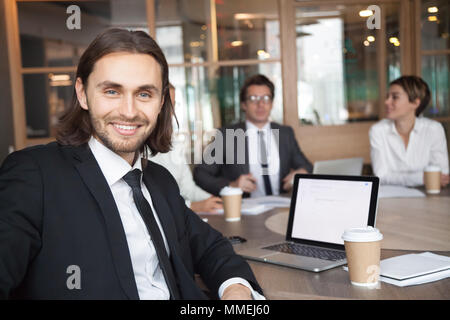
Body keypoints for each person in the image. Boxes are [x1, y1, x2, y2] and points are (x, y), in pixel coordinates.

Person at [0, 28, 263, 300]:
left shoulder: (159, 180)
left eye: (144, 94)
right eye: (112, 91)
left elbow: (210, 247)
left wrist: (236, 290)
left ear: (161, 101)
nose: (129, 111)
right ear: (82, 93)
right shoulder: (34, 175)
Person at [193, 74, 312, 198]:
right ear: (244, 104)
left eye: (266, 98)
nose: (260, 104)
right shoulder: (226, 135)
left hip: (280, 205)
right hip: (243, 209)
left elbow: (307, 166)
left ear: (271, 103)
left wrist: (301, 173)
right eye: (253, 98)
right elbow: (201, 174)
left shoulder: (285, 134)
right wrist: (231, 185)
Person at [150, 84, 223, 214]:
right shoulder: (136, 146)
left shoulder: (174, 143)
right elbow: (152, 198)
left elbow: (188, 189)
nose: (170, 112)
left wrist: (213, 200)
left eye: (173, 105)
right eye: (166, 105)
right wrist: (192, 206)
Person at [369, 75, 449, 187]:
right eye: (387, 97)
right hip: (390, 198)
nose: (387, 102)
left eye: (395, 97)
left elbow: (442, 176)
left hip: (428, 196)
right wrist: (422, 178)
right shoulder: (378, 131)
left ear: (415, 103)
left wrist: (397, 177)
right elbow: (381, 176)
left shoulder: (433, 129)